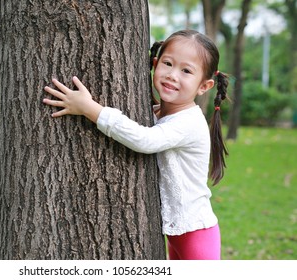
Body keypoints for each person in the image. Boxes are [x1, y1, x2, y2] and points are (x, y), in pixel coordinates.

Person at [43, 29, 229, 260]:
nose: (173, 75)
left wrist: (90, 108)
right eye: (168, 63)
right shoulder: (155, 114)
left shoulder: (188, 122)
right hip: (177, 231)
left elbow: (145, 140)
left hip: (196, 233)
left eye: (186, 71)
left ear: (204, 86)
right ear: (155, 63)